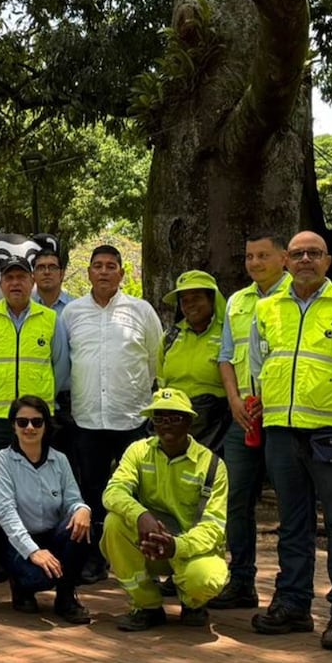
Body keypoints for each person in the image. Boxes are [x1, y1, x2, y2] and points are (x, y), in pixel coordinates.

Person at [248, 231, 332, 652]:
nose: (305, 260)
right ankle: (293, 603)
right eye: (298, 253)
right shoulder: (266, 310)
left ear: (328, 261)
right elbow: (257, 366)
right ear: (286, 260)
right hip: (282, 432)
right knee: (293, 524)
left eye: (314, 254)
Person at [60, 244, 163, 582]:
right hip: (87, 419)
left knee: (140, 492)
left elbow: (154, 360)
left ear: (121, 272)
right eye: (98, 266)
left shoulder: (141, 310)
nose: (104, 271)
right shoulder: (71, 314)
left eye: (111, 266)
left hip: (131, 417)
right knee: (91, 493)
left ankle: (144, 558)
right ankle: (94, 559)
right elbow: (65, 363)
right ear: (88, 272)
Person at [208, 232, 291, 611]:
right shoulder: (237, 302)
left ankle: (290, 591)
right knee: (235, 500)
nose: (254, 263)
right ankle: (241, 580)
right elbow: (226, 356)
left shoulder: (297, 295)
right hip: (244, 417)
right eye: (249, 256)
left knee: (292, 505)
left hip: (287, 417)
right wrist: (234, 400)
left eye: (263, 256)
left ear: (284, 258)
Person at [102, 388, 229, 631]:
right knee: (113, 523)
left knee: (206, 579)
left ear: (190, 421)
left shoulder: (213, 466)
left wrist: (177, 546)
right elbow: (113, 492)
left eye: (174, 418)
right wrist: (140, 515)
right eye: (159, 418)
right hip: (149, 543)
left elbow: (214, 527)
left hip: (190, 547)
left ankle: (193, 603)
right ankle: (146, 605)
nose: (166, 425)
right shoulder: (138, 451)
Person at [0, 395, 92, 624]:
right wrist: (33, 551)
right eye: (22, 422)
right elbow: (6, 514)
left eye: (37, 422)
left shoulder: (60, 460)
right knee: (38, 578)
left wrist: (82, 509)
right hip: (19, 542)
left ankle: (66, 597)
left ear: (46, 425)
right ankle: (21, 587)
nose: (29, 428)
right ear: (13, 426)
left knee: (82, 527)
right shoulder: (4, 460)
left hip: (52, 535)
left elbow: (73, 500)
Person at [0, 255, 68, 462]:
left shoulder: (50, 319)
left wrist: (44, 396)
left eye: (21, 277)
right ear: (1, 284)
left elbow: (61, 365)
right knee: (0, 471)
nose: (15, 283)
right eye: (9, 277)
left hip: (37, 416)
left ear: (32, 282)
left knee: (39, 470)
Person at [157, 270, 232, 454]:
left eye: (196, 298)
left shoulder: (227, 335)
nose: (190, 305)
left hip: (215, 426)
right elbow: (159, 378)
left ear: (211, 299)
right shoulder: (170, 337)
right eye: (185, 300)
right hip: (174, 422)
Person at [31, 248, 74, 314]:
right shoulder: (23, 306)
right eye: (41, 268)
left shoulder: (75, 307)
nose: (46, 272)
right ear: (33, 274)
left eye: (52, 267)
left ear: (61, 274)